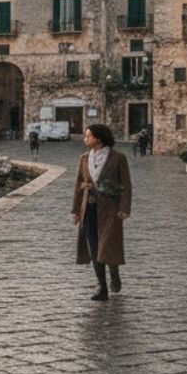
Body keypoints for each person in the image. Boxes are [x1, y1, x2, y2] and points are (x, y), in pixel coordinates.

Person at [71, 122, 131, 301]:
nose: (85, 139)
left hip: (110, 208)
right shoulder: (83, 158)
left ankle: (114, 272)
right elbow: (78, 185)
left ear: (98, 138)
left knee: (108, 244)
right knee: (94, 247)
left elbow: (126, 185)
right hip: (88, 207)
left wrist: (124, 208)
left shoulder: (118, 158)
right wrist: (75, 210)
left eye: (88, 136)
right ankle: (101, 286)